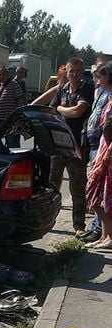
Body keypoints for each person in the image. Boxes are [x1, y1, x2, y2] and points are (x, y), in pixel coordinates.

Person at [49, 56, 95, 237]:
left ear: (82, 72)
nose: (74, 74)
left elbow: (78, 111)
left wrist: (61, 109)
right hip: (58, 145)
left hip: (77, 146)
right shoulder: (62, 89)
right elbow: (52, 110)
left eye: (77, 71)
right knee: (53, 185)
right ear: (66, 72)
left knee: (77, 187)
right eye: (71, 71)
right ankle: (50, 219)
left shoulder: (87, 88)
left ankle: (79, 226)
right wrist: (60, 109)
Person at [80, 55, 112, 243]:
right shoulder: (104, 95)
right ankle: (105, 235)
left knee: (103, 192)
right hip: (101, 147)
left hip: (107, 150)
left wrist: (108, 152)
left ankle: (109, 236)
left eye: (102, 74)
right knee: (98, 192)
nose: (98, 77)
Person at [0, 66, 24, 147]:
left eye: (3, 74)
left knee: (12, 144)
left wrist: (18, 119)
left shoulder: (14, 85)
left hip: (10, 121)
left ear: (8, 75)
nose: (1, 76)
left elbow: (20, 102)